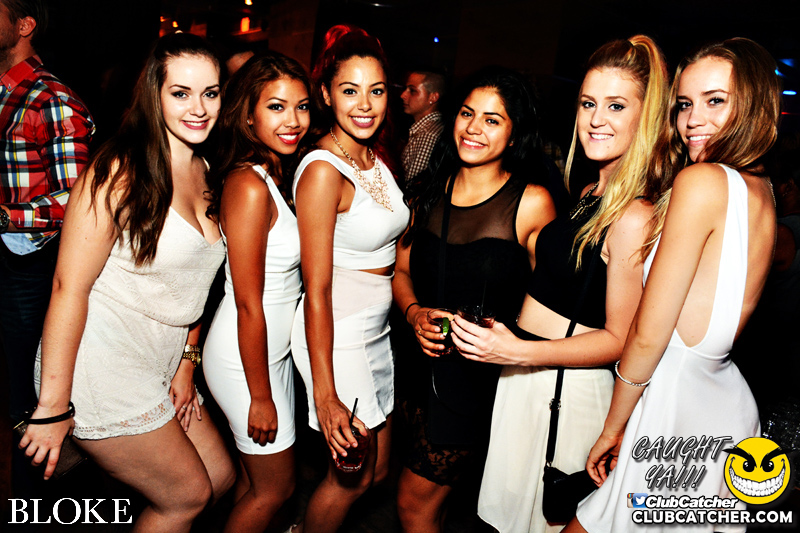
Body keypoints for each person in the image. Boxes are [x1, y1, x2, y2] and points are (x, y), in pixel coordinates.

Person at [452, 36, 668, 533]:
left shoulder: (633, 214)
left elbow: (622, 339)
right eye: (588, 103)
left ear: (647, 117)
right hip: (529, 377)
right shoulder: (590, 190)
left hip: (566, 392)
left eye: (616, 106)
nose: (596, 119)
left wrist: (517, 351)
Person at [19, 32, 235, 531]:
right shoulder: (117, 170)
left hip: (162, 359)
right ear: (154, 94)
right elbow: (68, 287)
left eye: (210, 93)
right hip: (101, 360)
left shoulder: (206, 169)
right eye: (180, 93)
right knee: (186, 496)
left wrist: (187, 361)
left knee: (219, 479)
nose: (198, 108)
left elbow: (195, 287)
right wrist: (52, 407)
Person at [569, 37, 780, 533]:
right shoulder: (762, 190)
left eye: (715, 101)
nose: (692, 120)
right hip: (718, 403)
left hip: (675, 410)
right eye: (685, 104)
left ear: (753, 105)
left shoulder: (702, 182)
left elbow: (648, 334)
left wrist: (614, 426)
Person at [394, 66, 556, 532]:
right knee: (436, 507)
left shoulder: (531, 202)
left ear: (514, 132)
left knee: (413, 505)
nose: (473, 128)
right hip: (417, 370)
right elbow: (401, 272)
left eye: (492, 119)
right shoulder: (427, 191)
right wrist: (415, 313)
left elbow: (549, 298)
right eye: (467, 114)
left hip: (476, 381)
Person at [290, 25, 410, 533]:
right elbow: (315, 289)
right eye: (350, 90)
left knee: (376, 471)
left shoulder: (371, 156)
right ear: (326, 94)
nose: (365, 104)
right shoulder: (324, 170)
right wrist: (325, 393)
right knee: (350, 479)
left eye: (376, 91)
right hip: (337, 335)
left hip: (374, 331)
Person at [202, 51, 310, 533]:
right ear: (248, 114)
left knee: (254, 485)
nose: (293, 121)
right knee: (276, 491)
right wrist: (260, 397)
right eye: (276, 107)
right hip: (246, 358)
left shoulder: (274, 173)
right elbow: (248, 302)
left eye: (301, 106)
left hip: (271, 353)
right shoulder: (249, 184)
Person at [0, 0, 94, 495]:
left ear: (24, 25)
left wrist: (5, 215)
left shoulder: (51, 97)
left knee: (30, 396)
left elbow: (77, 201)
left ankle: (38, 504)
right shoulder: (4, 92)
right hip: (8, 258)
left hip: (32, 263)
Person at [400, 69, 446, 182]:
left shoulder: (427, 135)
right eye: (405, 89)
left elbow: (411, 186)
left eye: (412, 91)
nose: (403, 95)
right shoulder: (426, 129)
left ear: (433, 98)